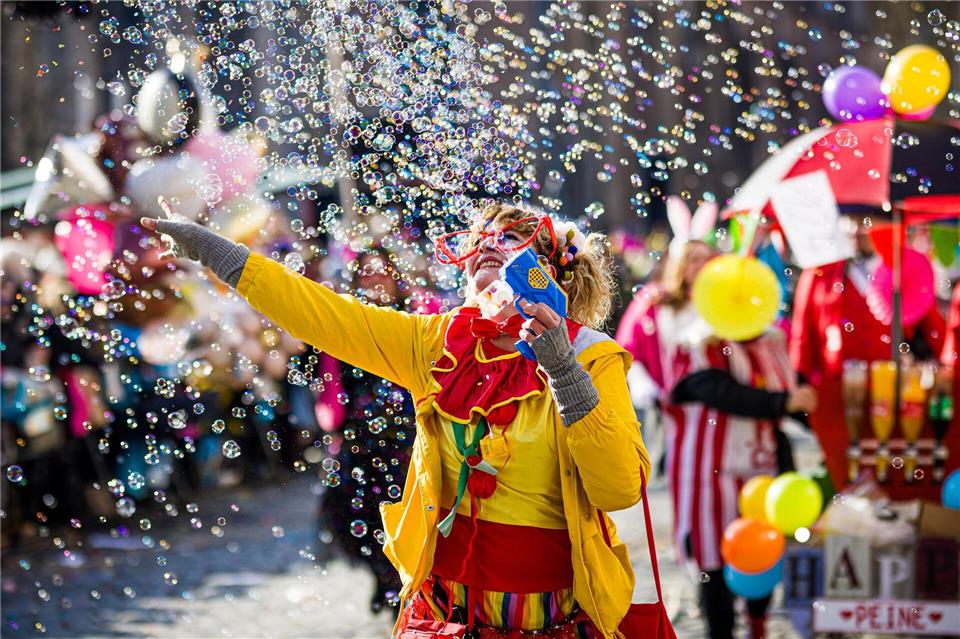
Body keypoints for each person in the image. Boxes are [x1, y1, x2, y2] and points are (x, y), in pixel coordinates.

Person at [142, 200, 650, 638]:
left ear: (548, 272)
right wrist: (220, 254)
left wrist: (562, 370)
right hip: (442, 610)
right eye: (482, 239)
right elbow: (321, 313)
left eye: (513, 239)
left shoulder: (591, 356)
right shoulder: (435, 342)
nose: (490, 244)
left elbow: (618, 489)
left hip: (547, 613)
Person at [618, 235, 815, 639]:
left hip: (761, 468)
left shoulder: (772, 340)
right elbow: (711, 389)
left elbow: (797, 395)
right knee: (712, 559)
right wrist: (783, 401)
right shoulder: (696, 340)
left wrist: (809, 404)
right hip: (706, 468)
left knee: (762, 550)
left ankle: (758, 622)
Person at [789, 218, 945, 499]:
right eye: (851, 222)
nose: (858, 231)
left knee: (895, 478)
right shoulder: (820, 273)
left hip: (894, 396)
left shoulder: (903, 271)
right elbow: (803, 336)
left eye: (868, 223)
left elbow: (933, 330)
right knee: (847, 478)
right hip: (839, 396)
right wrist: (806, 386)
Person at [316, 247, 417, 613]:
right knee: (359, 517)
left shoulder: (414, 321)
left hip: (407, 438)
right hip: (361, 440)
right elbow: (331, 384)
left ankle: (402, 583)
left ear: (396, 278)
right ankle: (383, 578)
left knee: (405, 516)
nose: (374, 279)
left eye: (381, 272)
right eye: (366, 273)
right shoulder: (346, 326)